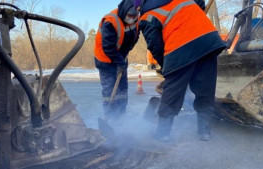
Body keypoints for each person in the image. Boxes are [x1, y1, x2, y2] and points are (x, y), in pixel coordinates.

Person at [138, 0, 226, 142]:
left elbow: (155, 46)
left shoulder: (147, 16)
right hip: (208, 41)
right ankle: (204, 131)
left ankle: (163, 133)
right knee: (205, 89)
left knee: (173, 92)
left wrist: (166, 66)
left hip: (180, 47)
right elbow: (200, 2)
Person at [94, 0, 140, 120]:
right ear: (124, 12)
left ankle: (121, 115)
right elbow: (108, 47)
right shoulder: (110, 21)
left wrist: (123, 58)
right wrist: (120, 62)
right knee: (110, 91)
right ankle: (110, 117)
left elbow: (135, 38)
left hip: (121, 59)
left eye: (135, 16)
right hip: (105, 60)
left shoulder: (136, 20)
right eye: (130, 16)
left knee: (123, 89)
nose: (132, 19)